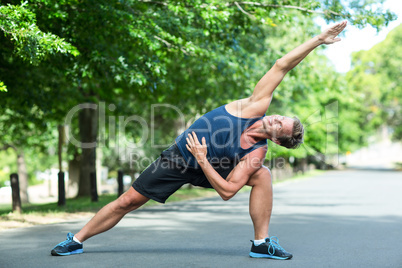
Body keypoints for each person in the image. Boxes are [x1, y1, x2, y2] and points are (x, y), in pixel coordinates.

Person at [51, 21, 347, 259]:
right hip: (180, 158)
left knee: (263, 175)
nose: (276, 119)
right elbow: (281, 65)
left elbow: (228, 191)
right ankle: (76, 239)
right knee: (127, 201)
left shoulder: (257, 152)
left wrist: (204, 159)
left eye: (281, 126)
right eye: (281, 117)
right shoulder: (254, 106)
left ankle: (261, 243)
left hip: (212, 167)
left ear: (279, 141)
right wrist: (319, 40)